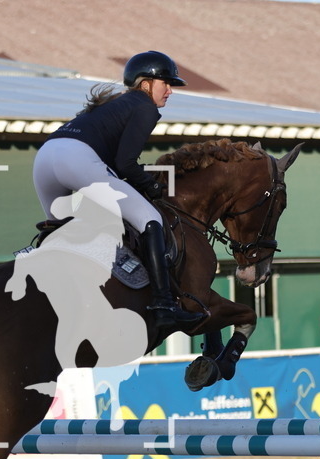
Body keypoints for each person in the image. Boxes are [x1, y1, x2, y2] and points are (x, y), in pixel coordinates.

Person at [32, 50, 205, 333]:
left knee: (61, 232)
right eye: (166, 83)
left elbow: (115, 166)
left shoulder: (115, 105)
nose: (170, 91)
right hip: (77, 159)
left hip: (45, 157)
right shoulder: (145, 106)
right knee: (150, 219)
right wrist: (152, 185)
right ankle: (164, 307)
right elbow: (125, 164)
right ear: (145, 83)